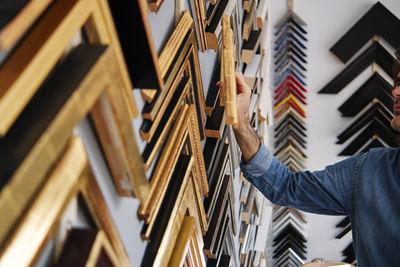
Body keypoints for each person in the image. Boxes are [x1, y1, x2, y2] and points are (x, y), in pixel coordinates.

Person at [227, 49, 400, 267]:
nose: (395, 92)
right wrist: (241, 122)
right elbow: (285, 186)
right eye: (397, 82)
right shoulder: (370, 169)